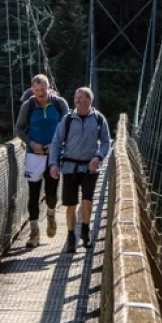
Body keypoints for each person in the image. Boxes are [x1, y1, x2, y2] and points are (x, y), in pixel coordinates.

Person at [51, 86, 112, 252]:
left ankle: (85, 231)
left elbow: (106, 142)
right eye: (76, 97)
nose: (76, 100)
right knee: (70, 204)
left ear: (89, 100)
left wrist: (99, 157)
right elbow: (56, 142)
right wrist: (53, 164)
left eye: (80, 97)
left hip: (89, 168)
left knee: (87, 200)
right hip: (70, 167)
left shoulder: (99, 119)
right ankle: (71, 236)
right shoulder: (68, 119)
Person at [13, 73, 67, 242]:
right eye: (36, 90)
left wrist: (56, 144)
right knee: (33, 194)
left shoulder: (59, 104)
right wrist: (32, 143)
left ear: (48, 88)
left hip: (53, 155)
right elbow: (19, 129)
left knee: (51, 193)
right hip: (33, 155)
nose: (40, 93)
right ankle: (34, 232)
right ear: (32, 90)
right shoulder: (28, 106)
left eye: (42, 89)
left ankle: (51, 214)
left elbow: (68, 126)